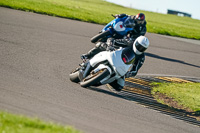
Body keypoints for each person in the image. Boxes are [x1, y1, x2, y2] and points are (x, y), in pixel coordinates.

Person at [81, 13, 147, 60]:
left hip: (129, 38)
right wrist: (119, 15)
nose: (138, 22)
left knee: (111, 46)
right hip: (123, 28)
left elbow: (138, 36)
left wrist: (131, 37)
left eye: (140, 21)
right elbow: (126, 16)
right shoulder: (132, 18)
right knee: (102, 45)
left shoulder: (142, 28)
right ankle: (88, 55)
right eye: (137, 20)